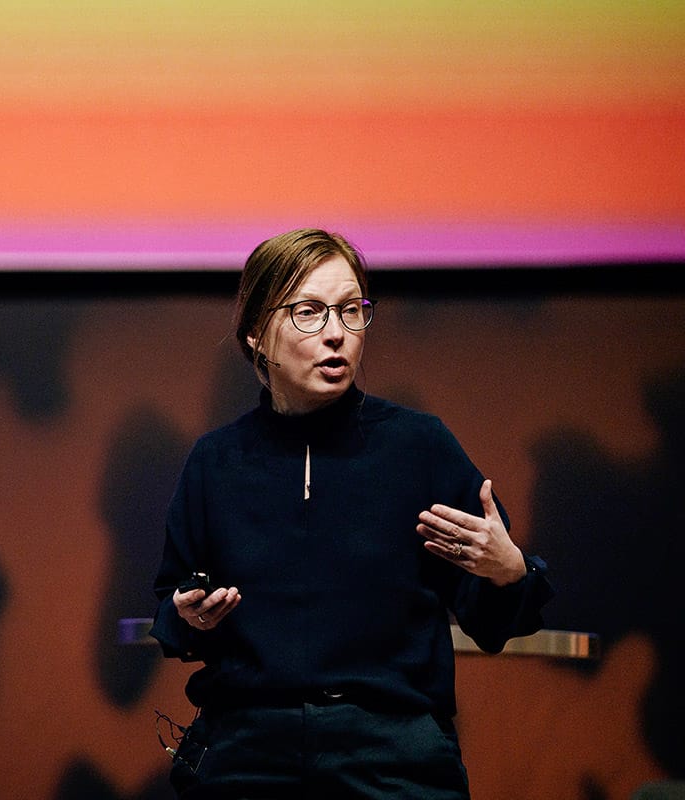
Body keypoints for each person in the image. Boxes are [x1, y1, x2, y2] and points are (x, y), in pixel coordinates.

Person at [150, 228, 553, 799]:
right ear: (256, 334)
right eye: (309, 312)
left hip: (392, 756)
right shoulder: (216, 461)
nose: (336, 333)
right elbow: (172, 611)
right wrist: (188, 615)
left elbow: (493, 622)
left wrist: (510, 571)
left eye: (351, 310)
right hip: (248, 750)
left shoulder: (419, 447)